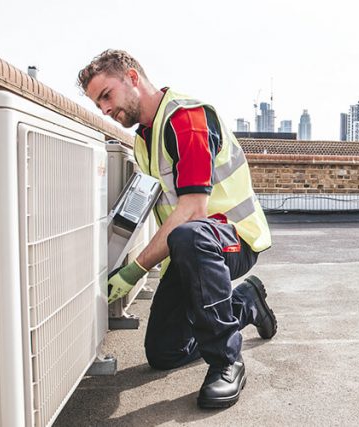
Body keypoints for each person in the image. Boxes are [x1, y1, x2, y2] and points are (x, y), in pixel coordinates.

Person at [77, 49, 277, 409]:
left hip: (233, 239)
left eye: (106, 95)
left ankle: (226, 362)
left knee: (188, 234)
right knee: (164, 352)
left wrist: (135, 267)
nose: (104, 110)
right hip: (191, 251)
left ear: (133, 78)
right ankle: (246, 302)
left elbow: (192, 210)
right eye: (98, 104)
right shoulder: (143, 138)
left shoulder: (187, 118)